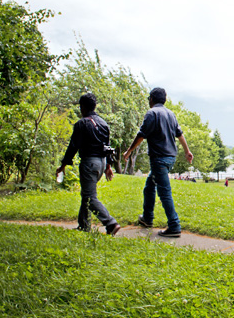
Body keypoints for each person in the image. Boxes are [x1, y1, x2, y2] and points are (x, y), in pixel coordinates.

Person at [123, 87, 193, 238]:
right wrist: (187, 151)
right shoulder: (171, 114)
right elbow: (179, 134)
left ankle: (174, 226)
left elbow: (141, 135)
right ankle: (147, 218)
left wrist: (129, 151)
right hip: (170, 158)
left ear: (151, 99)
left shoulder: (152, 113)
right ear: (165, 100)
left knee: (164, 192)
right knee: (149, 187)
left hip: (159, 159)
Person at [56, 93, 120, 236]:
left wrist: (63, 166)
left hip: (89, 163)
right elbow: (107, 146)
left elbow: (73, 146)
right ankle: (84, 225)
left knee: (90, 197)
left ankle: (110, 223)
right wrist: (108, 167)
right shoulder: (104, 123)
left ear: (82, 107)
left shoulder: (82, 123)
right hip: (101, 163)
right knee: (86, 194)